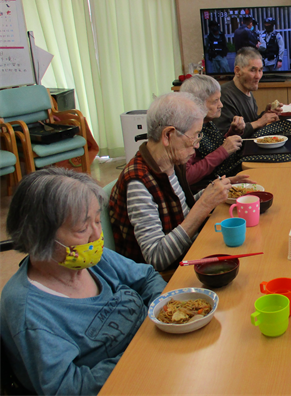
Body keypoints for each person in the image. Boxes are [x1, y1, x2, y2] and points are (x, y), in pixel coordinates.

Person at [0, 168, 166, 396]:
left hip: (158, 350)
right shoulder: (30, 310)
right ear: (38, 236)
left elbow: (147, 277)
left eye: (98, 220)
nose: (97, 235)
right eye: (82, 228)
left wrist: (163, 316)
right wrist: (143, 352)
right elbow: (69, 388)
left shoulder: (89, 258)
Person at [110, 92, 231, 274]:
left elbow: (180, 206)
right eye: (195, 136)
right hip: (169, 276)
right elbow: (156, 259)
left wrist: (215, 190)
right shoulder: (138, 183)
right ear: (168, 135)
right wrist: (204, 204)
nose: (197, 145)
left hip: (190, 254)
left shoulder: (171, 163)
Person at [180, 75, 255, 189]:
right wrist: (223, 150)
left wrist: (233, 132)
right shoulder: (186, 132)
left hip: (222, 176)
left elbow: (213, 147)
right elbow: (187, 176)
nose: (221, 105)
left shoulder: (207, 122)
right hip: (205, 188)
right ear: (197, 104)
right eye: (215, 101)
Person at [211, 47, 282, 138]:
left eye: (260, 70)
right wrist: (259, 122)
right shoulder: (224, 95)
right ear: (237, 71)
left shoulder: (247, 91)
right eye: (252, 70)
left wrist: (265, 115)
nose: (258, 76)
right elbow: (224, 136)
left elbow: (249, 123)